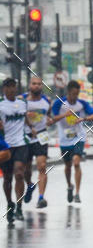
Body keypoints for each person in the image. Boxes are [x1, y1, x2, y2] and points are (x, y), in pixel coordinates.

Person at [51, 81, 93, 204]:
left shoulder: (82, 104)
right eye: (72, 94)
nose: (74, 97)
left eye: (77, 94)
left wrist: (84, 118)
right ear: (68, 93)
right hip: (64, 140)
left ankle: (77, 193)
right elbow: (52, 119)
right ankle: (69, 186)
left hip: (79, 137)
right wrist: (64, 115)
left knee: (76, 162)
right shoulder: (59, 104)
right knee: (68, 166)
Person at [0, 77, 36, 223]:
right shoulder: (1, 104)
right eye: (8, 87)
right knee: (8, 177)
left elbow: (24, 116)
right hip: (6, 146)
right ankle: (10, 204)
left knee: (19, 174)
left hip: (21, 143)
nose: (11, 89)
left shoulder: (22, 103)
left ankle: (19, 207)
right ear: (4, 89)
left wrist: (31, 126)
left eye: (14, 86)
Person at [22, 75, 54, 209]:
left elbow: (49, 116)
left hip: (41, 135)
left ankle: (41, 198)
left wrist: (50, 120)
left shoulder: (47, 101)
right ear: (30, 85)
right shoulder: (22, 100)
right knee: (26, 168)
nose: (36, 86)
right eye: (34, 84)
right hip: (26, 136)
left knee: (42, 166)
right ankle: (29, 184)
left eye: (39, 84)